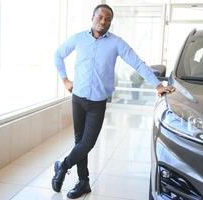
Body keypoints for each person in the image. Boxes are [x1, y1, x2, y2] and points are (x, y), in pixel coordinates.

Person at [52, 4, 175, 199]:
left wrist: (158, 85)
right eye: (100, 17)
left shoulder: (116, 43)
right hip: (78, 99)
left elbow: (137, 63)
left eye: (107, 19)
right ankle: (83, 181)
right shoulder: (78, 39)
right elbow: (58, 54)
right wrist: (65, 79)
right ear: (92, 17)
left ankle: (62, 166)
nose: (103, 21)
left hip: (97, 103)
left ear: (110, 22)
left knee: (87, 143)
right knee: (79, 142)